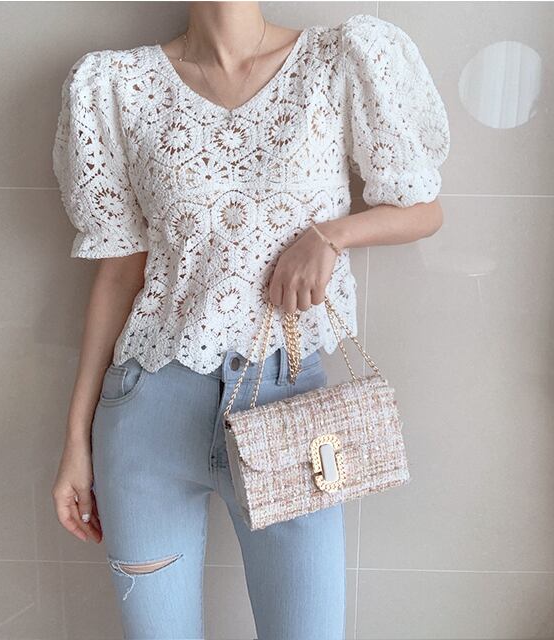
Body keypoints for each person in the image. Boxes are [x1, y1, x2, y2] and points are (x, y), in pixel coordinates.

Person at [50, 2, 450, 638]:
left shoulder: (339, 59)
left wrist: (330, 236)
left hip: (292, 410)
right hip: (149, 412)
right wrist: (76, 441)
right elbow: (119, 272)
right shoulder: (118, 84)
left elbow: (422, 209)